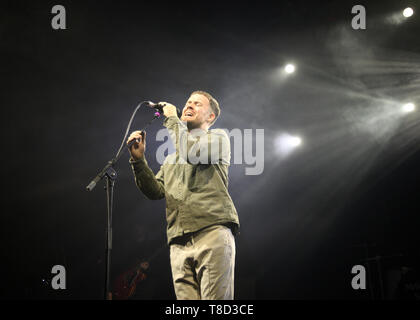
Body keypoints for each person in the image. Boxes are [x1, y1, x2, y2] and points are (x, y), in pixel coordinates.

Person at [127, 90, 239, 300]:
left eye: (197, 104)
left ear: (211, 117)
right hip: (178, 241)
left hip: (211, 231)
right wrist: (138, 161)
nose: (189, 106)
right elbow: (156, 191)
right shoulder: (171, 159)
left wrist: (171, 120)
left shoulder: (218, 138)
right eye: (188, 102)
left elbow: (193, 153)